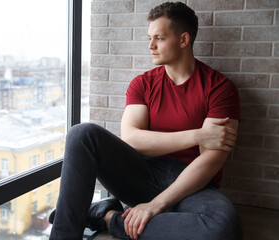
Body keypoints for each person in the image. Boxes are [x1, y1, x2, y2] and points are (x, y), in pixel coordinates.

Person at [49, 2, 242, 240]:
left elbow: (211, 160)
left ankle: (108, 218)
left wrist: (155, 205)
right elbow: (132, 138)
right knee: (82, 134)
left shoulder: (220, 88)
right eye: (149, 38)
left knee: (222, 228)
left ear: (183, 40)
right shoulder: (143, 84)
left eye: (159, 38)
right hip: (143, 174)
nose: (150, 46)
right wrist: (197, 135)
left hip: (193, 184)